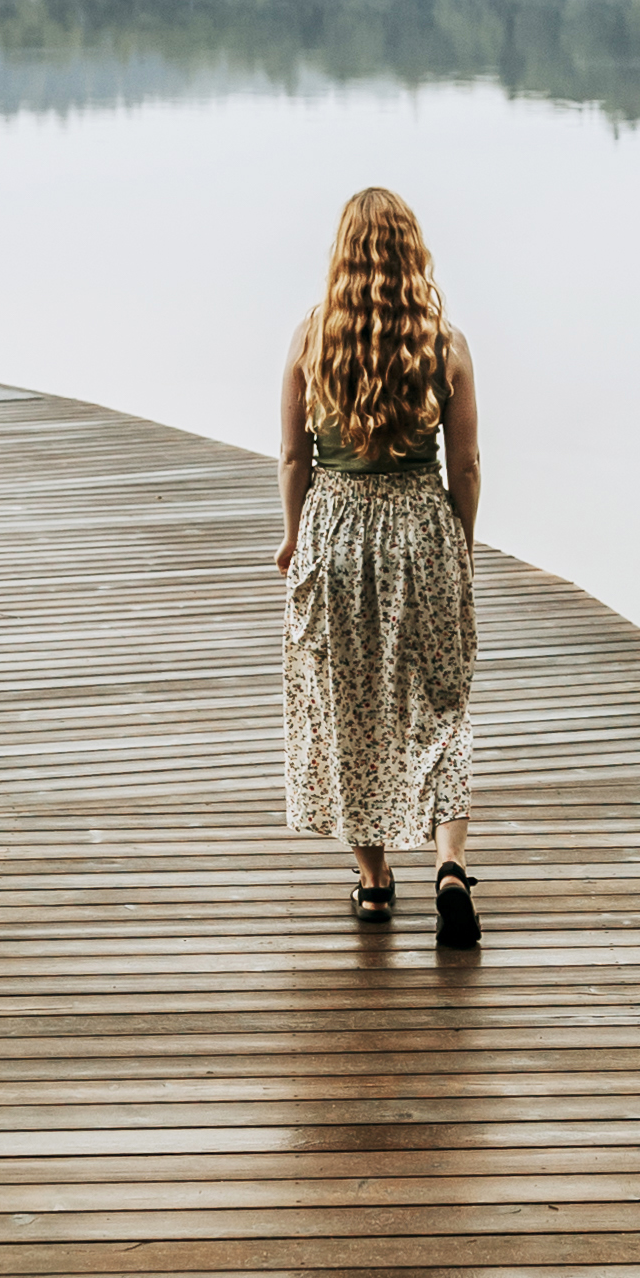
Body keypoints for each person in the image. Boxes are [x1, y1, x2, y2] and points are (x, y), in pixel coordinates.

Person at [278, 183, 482, 945]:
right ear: (410, 253)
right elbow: (465, 466)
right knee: (440, 702)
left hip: (335, 528)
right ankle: (451, 864)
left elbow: (294, 455)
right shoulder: (445, 344)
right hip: (419, 529)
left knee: (349, 706)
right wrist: (458, 543)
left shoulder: (310, 339)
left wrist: (294, 534)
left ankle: (372, 882)